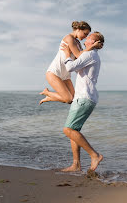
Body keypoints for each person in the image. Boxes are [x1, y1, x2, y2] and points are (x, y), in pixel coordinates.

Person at [61, 31, 104, 172]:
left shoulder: (89, 54)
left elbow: (71, 67)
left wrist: (67, 54)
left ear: (93, 42)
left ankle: (94, 155)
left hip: (84, 97)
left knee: (68, 130)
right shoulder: (91, 54)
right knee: (74, 130)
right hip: (85, 97)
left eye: (89, 38)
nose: (85, 40)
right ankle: (76, 165)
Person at [39, 21, 100, 105]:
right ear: (78, 29)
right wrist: (92, 46)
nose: (85, 37)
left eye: (87, 35)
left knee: (73, 100)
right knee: (67, 99)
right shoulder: (69, 38)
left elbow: (79, 58)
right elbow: (78, 54)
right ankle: (48, 93)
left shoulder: (78, 43)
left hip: (66, 75)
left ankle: (50, 96)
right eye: (85, 34)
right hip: (54, 72)